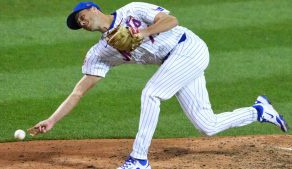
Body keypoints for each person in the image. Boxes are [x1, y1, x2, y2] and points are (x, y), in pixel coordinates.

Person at [32, 2, 289, 169]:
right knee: (207, 125)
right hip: (175, 64)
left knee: (151, 93)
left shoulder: (132, 10)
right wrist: (52, 120)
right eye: (78, 24)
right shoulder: (100, 52)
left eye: (81, 17)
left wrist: (143, 33)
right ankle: (258, 111)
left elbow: (172, 21)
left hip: (189, 48)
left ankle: (138, 159)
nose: (81, 23)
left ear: (93, 9)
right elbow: (79, 90)